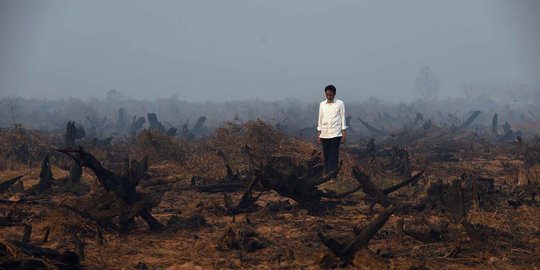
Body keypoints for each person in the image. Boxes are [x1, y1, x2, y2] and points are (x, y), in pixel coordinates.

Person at [317, 85, 347, 177]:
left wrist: (344, 133)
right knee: (326, 154)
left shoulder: (340, 103)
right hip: (325, 133)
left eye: (331, 95)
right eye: (327, 95)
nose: (329, 97)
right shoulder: (322, 104)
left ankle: (333, 176)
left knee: (333, 155)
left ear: (334, 94)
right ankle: (327, 175)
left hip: (336, 133)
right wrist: (319, 132)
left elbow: (342, 118)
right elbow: (320, 118)